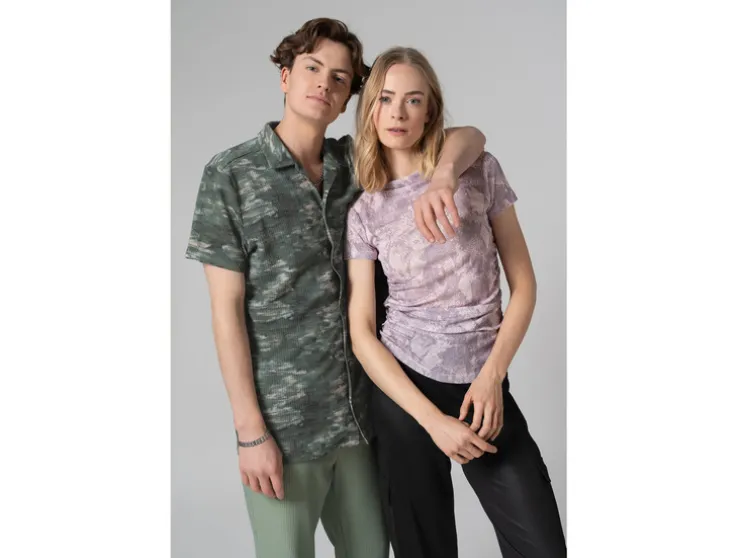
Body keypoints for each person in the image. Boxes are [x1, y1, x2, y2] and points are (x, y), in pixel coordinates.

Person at [184, 18, 486, 558]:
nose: (324, 83)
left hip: (362, 422)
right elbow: (225, 313)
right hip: (284, 428)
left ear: (351, 99)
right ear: (285, 76)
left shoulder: (357, 165)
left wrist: (443, 175)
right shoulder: (230, 175)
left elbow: (468, 138)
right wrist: (251, 433)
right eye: (312, 68)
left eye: (341, 78)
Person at [345, 46, 567, 558]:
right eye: (385, 99)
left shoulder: (477, 170)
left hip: (483, 388)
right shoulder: (365, 212)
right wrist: (431, 421)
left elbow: (524, 285)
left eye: (413, 100)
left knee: (542, 546)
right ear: (370, 109)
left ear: (430, 110)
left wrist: (492, 377)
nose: (398, 113)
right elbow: (362, 333)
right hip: (407, 394)